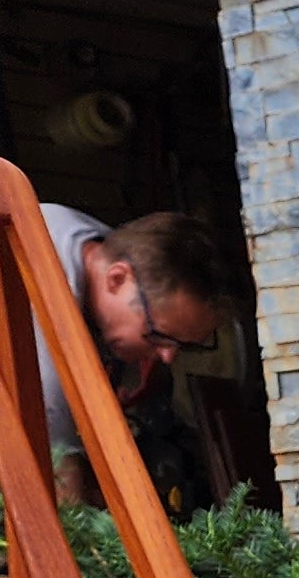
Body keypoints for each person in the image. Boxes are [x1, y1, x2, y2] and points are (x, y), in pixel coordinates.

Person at [33, 204, 232, 516]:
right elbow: (55, 457)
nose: (167, 356)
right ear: (117, 279)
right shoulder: (45, 269)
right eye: (157, 335)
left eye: (181, 346)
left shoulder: (102, 246)